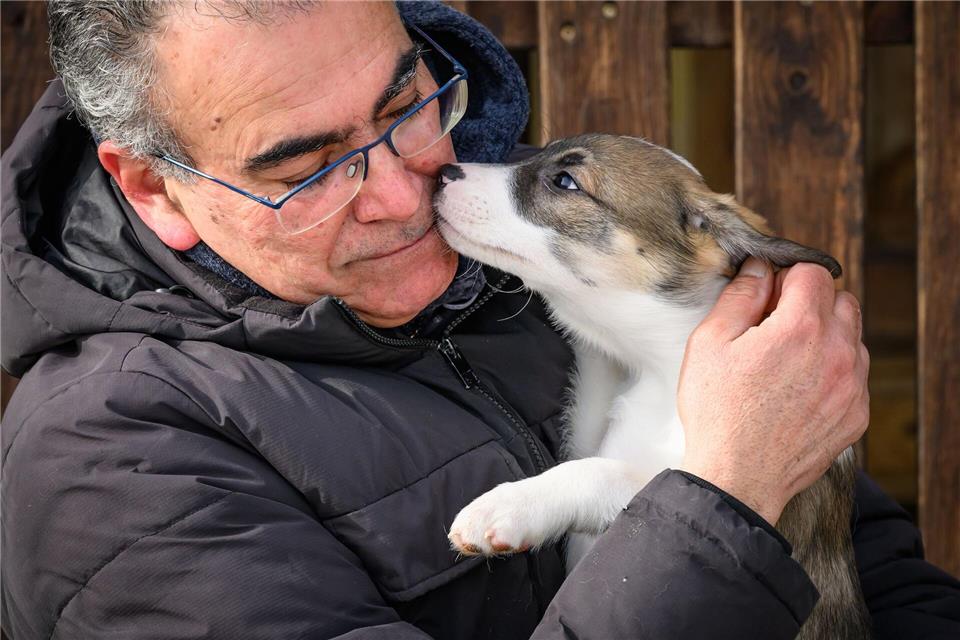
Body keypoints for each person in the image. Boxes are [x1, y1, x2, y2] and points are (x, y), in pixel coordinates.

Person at [1, 1, 957, 638]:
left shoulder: (524, 258)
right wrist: (728, 494)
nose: (407, 194)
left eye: (405, 103)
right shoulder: (112, 462)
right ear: (153, 187)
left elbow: (867, 574)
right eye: (308, 169)